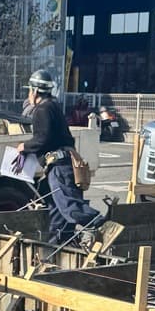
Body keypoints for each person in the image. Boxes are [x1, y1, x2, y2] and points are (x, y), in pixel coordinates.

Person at [22, 68, 98, 244]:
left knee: (69, 206)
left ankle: (99, 222)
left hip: (59, 166)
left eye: (29, 90)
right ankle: (57, 247)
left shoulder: (42, 110)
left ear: (34, 91)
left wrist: (23, 147)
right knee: (57, 212)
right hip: (63, 163)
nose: (28, 95)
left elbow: (42, 139)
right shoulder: (53, 106)